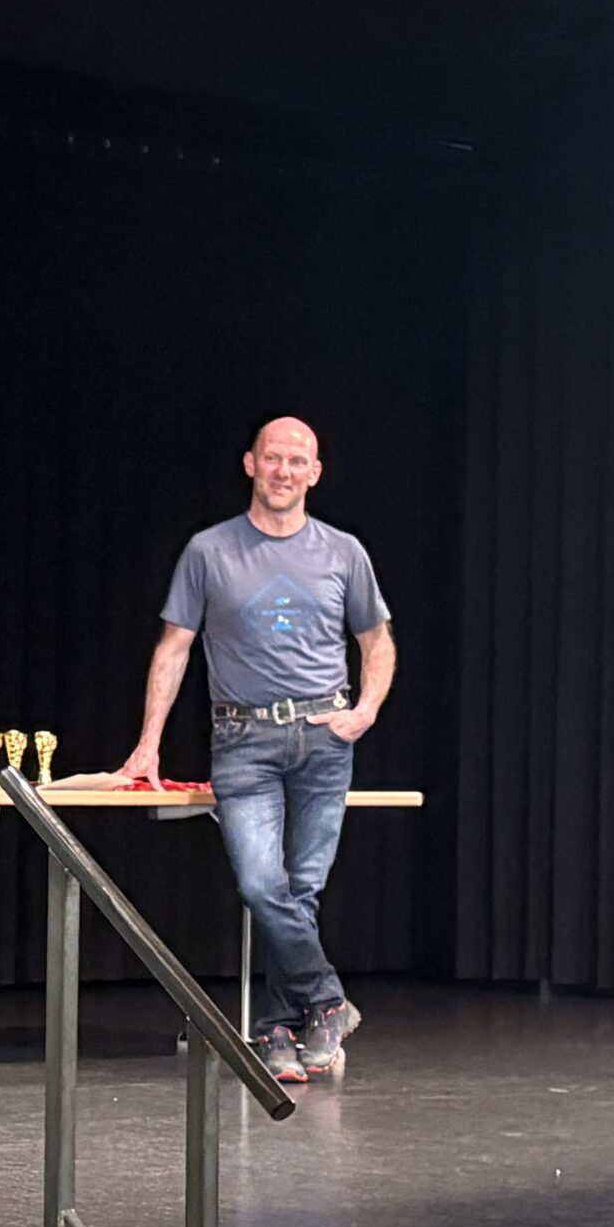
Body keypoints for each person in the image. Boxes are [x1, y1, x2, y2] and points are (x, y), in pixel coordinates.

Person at [117, 417, 397, 1084]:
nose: (283, 471)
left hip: (325, 737)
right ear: (250, 463)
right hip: (244, 740)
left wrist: (366, 710)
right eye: (273, 458)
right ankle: (328, 1000)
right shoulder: (209, 551)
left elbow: (378, 642)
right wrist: (148, 744)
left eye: (297, 462)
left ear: (315, 473)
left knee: (301, 891)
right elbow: (174, 649)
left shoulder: (344, 553)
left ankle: (277, 1031)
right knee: (261, 885)